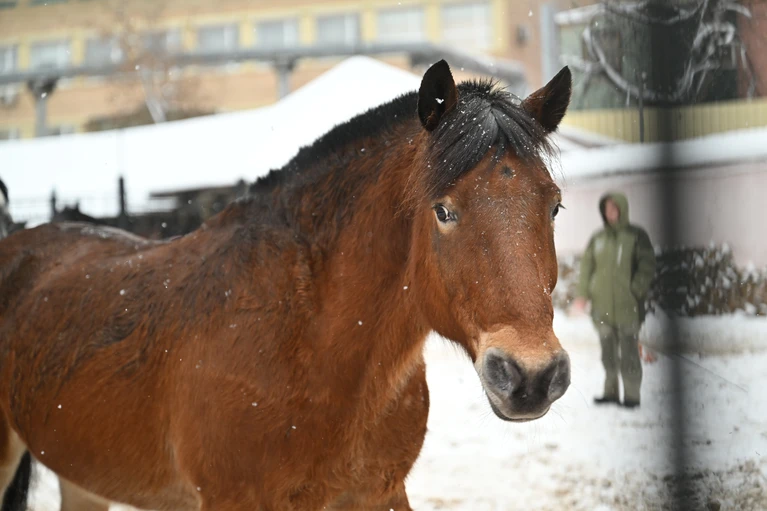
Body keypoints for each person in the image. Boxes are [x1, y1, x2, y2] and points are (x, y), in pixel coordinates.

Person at [572, 192, 656, 408]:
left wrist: (635, 289)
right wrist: (583, 294)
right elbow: (586, 268)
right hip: (602, 308)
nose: (610, 212)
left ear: (622, 209)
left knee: (629, 354)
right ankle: (610, 392)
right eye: (606, 209)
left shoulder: (636, 235)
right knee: (607, 354)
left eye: (614, 208)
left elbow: (647, 265)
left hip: (628, 308)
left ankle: (632, 396)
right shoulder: (598, 238)